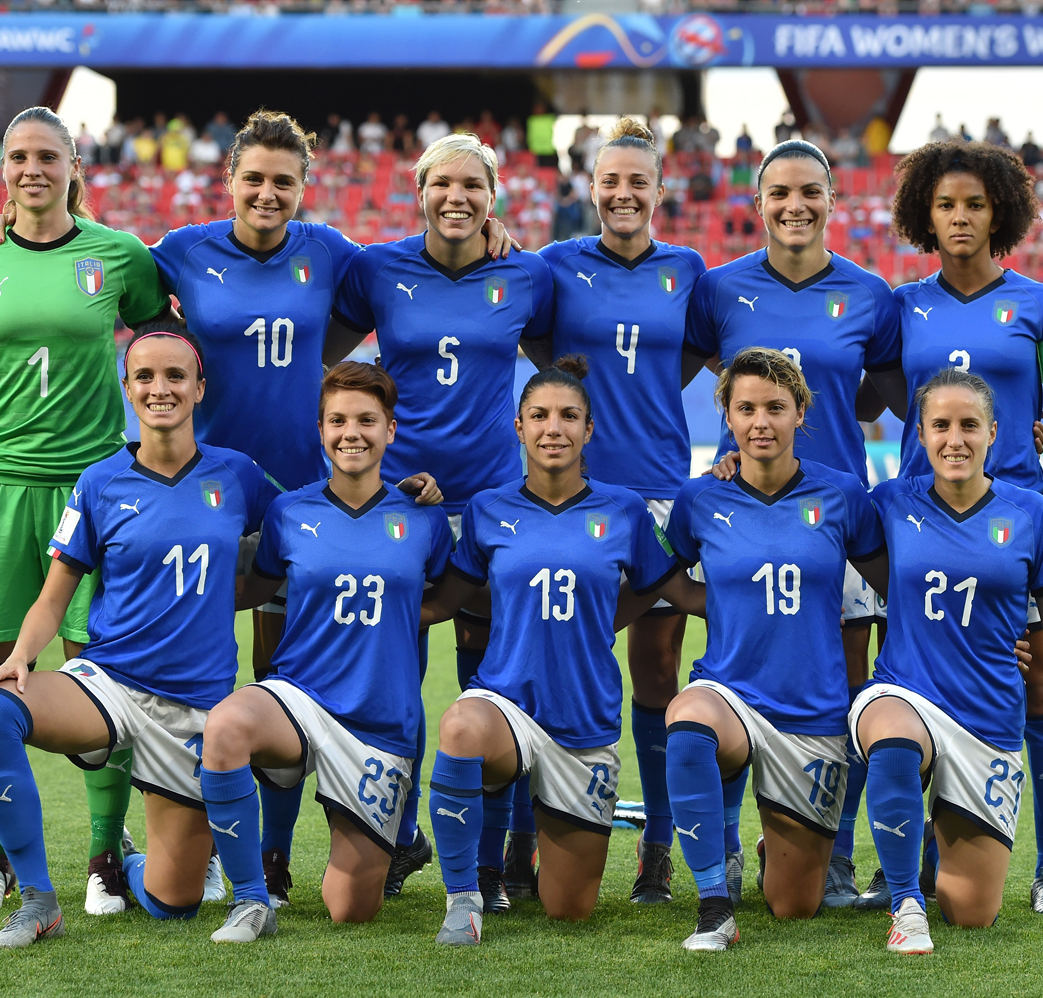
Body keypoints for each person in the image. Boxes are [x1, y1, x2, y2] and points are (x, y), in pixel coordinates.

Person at [0, 110, 505, 904]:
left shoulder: (331, 253)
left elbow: (418, 272)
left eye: (282, 181)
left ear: (303, 189)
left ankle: (326, 844)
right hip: (205, 495)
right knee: (205, 667)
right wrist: (20, 220)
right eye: (252, 178)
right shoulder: (182, 252)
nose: (266, 193)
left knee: (315, 666)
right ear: (228, 182)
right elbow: (97, 270)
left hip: (300, 496)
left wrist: (497, 237)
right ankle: (204, 834)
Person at [0, 107, 170, 918]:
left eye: (46, 156)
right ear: (2, 168)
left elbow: (168, 343)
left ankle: (104, 856)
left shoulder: (117, 254)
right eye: (18, 157)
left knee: (101, 667)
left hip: (91, 487)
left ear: (72, 163)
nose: (31, 169)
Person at [0, 330, 279, 949]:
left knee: (173, 904)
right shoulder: (99, 482)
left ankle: (131, 863)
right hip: (110, 684)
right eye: (145, 377)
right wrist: (21, 658)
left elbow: (304, 524)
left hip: (194, 709)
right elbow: (54, 596)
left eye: (176, 376)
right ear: (128, 389)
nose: (161, 389)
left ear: (200, 389)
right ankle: (37, 902)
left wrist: (393, 500)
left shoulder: (238, 474)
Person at [331, 132, 554, 897]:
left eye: (473, 187)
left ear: (495, 200)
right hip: (400, 505)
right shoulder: (376, 268)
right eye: (442, 185)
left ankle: (495, 859)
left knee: (491, 676)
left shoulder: (528, 274)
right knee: (395, 675)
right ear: (417, 191)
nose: (456, 198)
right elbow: (325, 361)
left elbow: (560, 369)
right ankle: (395, 836)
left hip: (493, 504)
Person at [869, 140, 1043, 915]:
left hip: (1014, 525)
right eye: (946, 205)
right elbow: (857, 397)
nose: (960, 218)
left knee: (1033, 683)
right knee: (916, 679)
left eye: (975, 205)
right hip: (919, 525)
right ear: (924, 215)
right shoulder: (901, 306)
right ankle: (908, 861)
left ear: (1001, 212)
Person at [418, 358, 704, 945]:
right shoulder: (487, 509)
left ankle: (541, 848)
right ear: (518, 427)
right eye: (540, 416)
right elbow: (441, 601)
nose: (555, 428)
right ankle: (464, 896)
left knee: (569, 910)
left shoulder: (624, 510)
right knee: (461, 728)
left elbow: (668, 588)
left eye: (569, 416)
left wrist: (788, 601)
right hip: (508, 707)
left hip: (584, 725)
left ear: (589, 430)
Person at [684, 140, 901, 907]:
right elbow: (654, 372)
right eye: (779, 193)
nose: (794, 206)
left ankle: (831, 858)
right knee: (732, 676)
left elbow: (886, 398)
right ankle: (725, 852)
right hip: (738, 516)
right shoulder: (717, 291)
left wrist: (1019, 428)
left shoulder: (872, 295)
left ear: (833, 200)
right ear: (758, 202)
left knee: (841, 694)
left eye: (810, 191)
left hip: (837, 522)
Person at [200, 362, 453, 941]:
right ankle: (251, 897)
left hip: (380, 722)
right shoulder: (290, 512)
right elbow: (257, 591)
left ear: (391, 428)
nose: (351, 433)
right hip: (301, 698)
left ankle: (398, 842)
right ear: (320, 430)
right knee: (228, 726)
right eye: (337, 420)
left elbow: (455, 590)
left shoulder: (423, 518)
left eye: (367, 420)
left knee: (350, 910)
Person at [530, 118, 708, 909]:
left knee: (658, 669)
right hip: (573, 494)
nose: (624, 193)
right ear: (592, 187)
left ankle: (660, 847)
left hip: (663, 489)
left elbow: (694, 356)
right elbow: (533, 345)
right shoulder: (555, 266)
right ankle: (527, 836)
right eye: (612, 181)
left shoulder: (689, 271)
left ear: (659, 191)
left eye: (639, 182)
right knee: (552, 656)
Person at [662, 348, 888, 951]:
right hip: (729, 692)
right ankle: (714, 905)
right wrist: (719, 606)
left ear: (800, 413)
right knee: (687, 722)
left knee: (794, 906)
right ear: (728, 418)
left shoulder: (842, 495)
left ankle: (776, 846)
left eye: (775, 408)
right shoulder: (700, 497)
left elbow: (892, 584)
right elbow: (661, 574)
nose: (760, 421)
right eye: (746, 409)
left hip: (811, 714)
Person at [856, 368, 1043, 953]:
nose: (954, 439)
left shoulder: (1031, 512)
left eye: (968, 426)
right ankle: (905, 900)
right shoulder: (887, 502)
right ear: (920, 434)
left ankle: (933, 844)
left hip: (987, 719)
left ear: (995, 433)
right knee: (894, 738)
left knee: (972, 912)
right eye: (939, 425)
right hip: (904, 694)